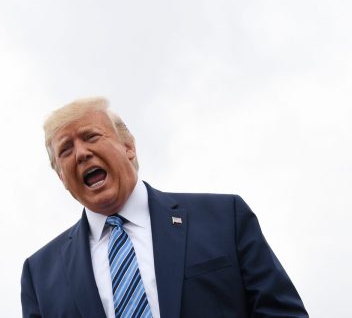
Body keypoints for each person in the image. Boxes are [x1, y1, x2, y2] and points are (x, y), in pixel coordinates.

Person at [21, 97, 307, 318]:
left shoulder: (224, 218)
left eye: (91, 136)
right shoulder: (40, 274)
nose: (81, 153)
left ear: (128, 146)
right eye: (66, 150)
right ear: (61, 177)